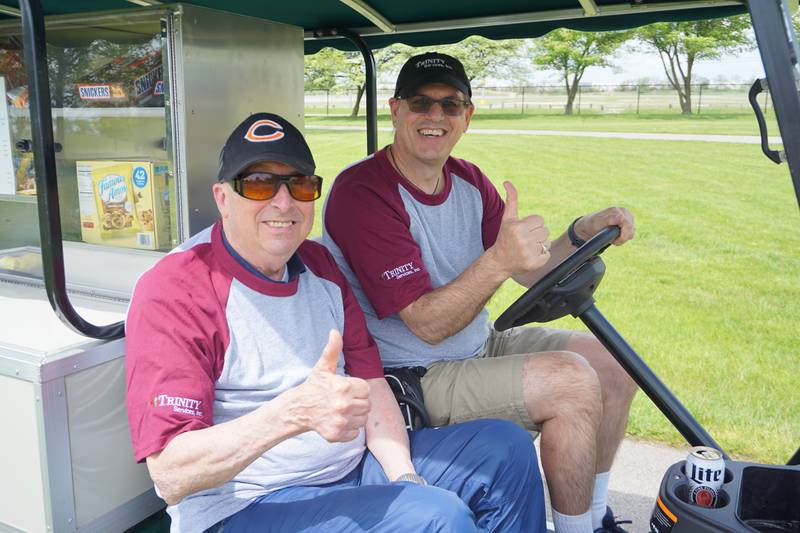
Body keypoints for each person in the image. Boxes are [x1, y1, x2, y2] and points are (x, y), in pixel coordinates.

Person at [124, 112, 546, 533]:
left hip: (352, 469)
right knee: (437, 519)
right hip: (246, 505)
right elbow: (171, 474)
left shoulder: (319, 264)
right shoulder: (177, 287)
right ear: (222, 197)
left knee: (505, 450)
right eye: (258, 184)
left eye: (300, 185)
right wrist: (291, 414)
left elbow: (372, 384)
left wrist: (404, 478)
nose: (283, 202)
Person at [322, 53, 638, 533]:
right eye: (421, 103)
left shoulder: (468, 180)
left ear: (467, 116)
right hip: (410, 376)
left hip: (474, 345)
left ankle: (595, 517)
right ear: (395, 109)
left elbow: (530, 272)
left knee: (613, 364)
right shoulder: (363, 193)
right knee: (570, 383)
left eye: (450, 105)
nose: (436, 117)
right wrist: (498, 261)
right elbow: (427, 325)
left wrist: (581, 232)